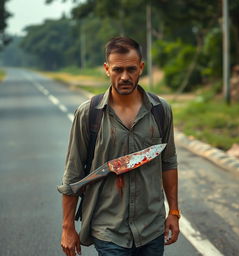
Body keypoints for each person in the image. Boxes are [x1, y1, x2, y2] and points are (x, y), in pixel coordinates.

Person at [57, 36, 180, 256]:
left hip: (151, 227)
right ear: (106, 69)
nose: (125, 77)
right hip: (108, 229)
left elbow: (168, 162)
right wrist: (68, 227)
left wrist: (174, 211)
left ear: (141, 67)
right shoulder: (89, 114)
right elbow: (73, 174)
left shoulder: (160, 110)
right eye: (117, 70)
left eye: (131, 69)